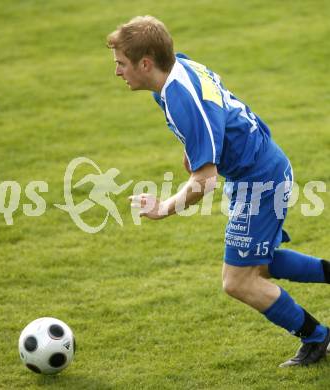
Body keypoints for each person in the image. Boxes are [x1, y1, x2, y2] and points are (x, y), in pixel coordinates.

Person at [107, 15, 330, 367]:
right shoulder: (178, 67)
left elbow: (205, 181)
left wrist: (163, 208)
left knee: (238, 281)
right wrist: (194, 150)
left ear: (145, 63)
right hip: (255, 171)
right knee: (259, 262)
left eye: (121, 64)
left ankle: (318, 338)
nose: (117, 71)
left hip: (260, 179)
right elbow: (217, 113)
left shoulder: (181, 99)